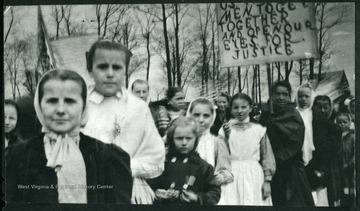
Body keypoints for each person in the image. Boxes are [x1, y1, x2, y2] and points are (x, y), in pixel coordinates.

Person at [6, 69, 132, 203]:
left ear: (84, 105)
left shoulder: (108, 158)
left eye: (70, 101)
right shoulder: (17, 157)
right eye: (52, 101)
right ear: (39, 105)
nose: (61, 110)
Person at [82, 40, 165, 204]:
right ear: (90, 70)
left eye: (117, 67)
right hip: (86, 189)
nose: (110, 73)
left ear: (125, 71)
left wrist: (120, 168)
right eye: (102, 67)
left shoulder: (138, 109)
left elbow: (156, 161)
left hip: (130, 191)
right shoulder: (77, 104)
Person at [259, 80, 314, 206]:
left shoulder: (294, 115)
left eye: (285, 94)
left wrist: (277, 158)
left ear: (289, 96)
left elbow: (295, 143)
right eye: (277, 94)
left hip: (291, 170)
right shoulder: (266, 116)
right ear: (272, 96)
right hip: (270, 169)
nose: (281, 98)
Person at [218, 93, 275, 206]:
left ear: (250, 108)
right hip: (232, 174)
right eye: (236, 107)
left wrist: (267, 181)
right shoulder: (225, 129)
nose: (240, 111)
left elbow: (267, 156)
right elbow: (222, 156)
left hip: (254, 175)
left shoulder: (259, 130)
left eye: (243, 107)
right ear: (231, 109)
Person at [148, 117, 221, 205]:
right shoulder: (162, 164)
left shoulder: (203, 166)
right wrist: (157, 194)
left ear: (196, 139)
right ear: (171, 139)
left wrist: (197, 198)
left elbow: (215, 192)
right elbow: (148, 187)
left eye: (189, 138)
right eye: (179, 138)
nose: (184, 143)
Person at [186, 98, 233, 186]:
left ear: (213, 117)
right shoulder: (182, 139)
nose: (201, 120)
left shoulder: (217, 141)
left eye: (206, 116)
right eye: (196, 115)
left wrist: (217, 178)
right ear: (189, 115)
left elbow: (225, 170)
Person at [307, 95, 342, 207]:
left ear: (330, 108)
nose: (323, 111)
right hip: (310, 168)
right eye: (319, 107)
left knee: (327, 200)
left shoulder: (334, 128)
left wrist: (322, 169)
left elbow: (332, 150)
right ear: (313, 108)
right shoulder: (308, 127)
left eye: (326, 107)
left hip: (329, 169)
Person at [335, 113, 355, 207]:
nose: (342, 124)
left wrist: (348, 164)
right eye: (339, 122)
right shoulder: (336, 136)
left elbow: (355, 155)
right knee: (341, 191)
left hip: (349, 170)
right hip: (338, 169)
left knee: (349, 191)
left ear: (349, 123)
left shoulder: (352, 137)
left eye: (344, 122)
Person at [295, 83, 315, 167]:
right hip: (297, 152)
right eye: (300, 96)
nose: (303, 99)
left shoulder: (313, 114)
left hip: (313, 152)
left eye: (307, 96)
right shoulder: (294, 113)